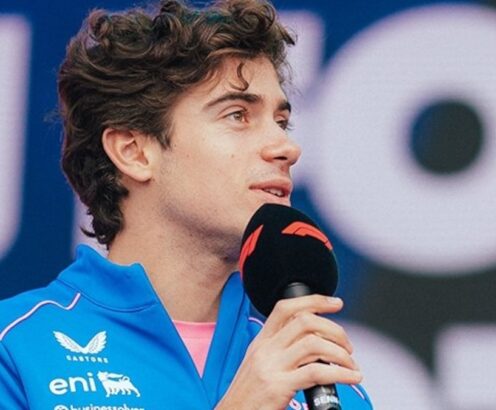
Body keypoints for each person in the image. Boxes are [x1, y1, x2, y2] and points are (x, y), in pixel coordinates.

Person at [0, 0, 372, 408]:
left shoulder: (322, 378)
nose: (286, 147)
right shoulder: (15, 348)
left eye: (281, 122)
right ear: (133, 151)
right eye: (237, 115)